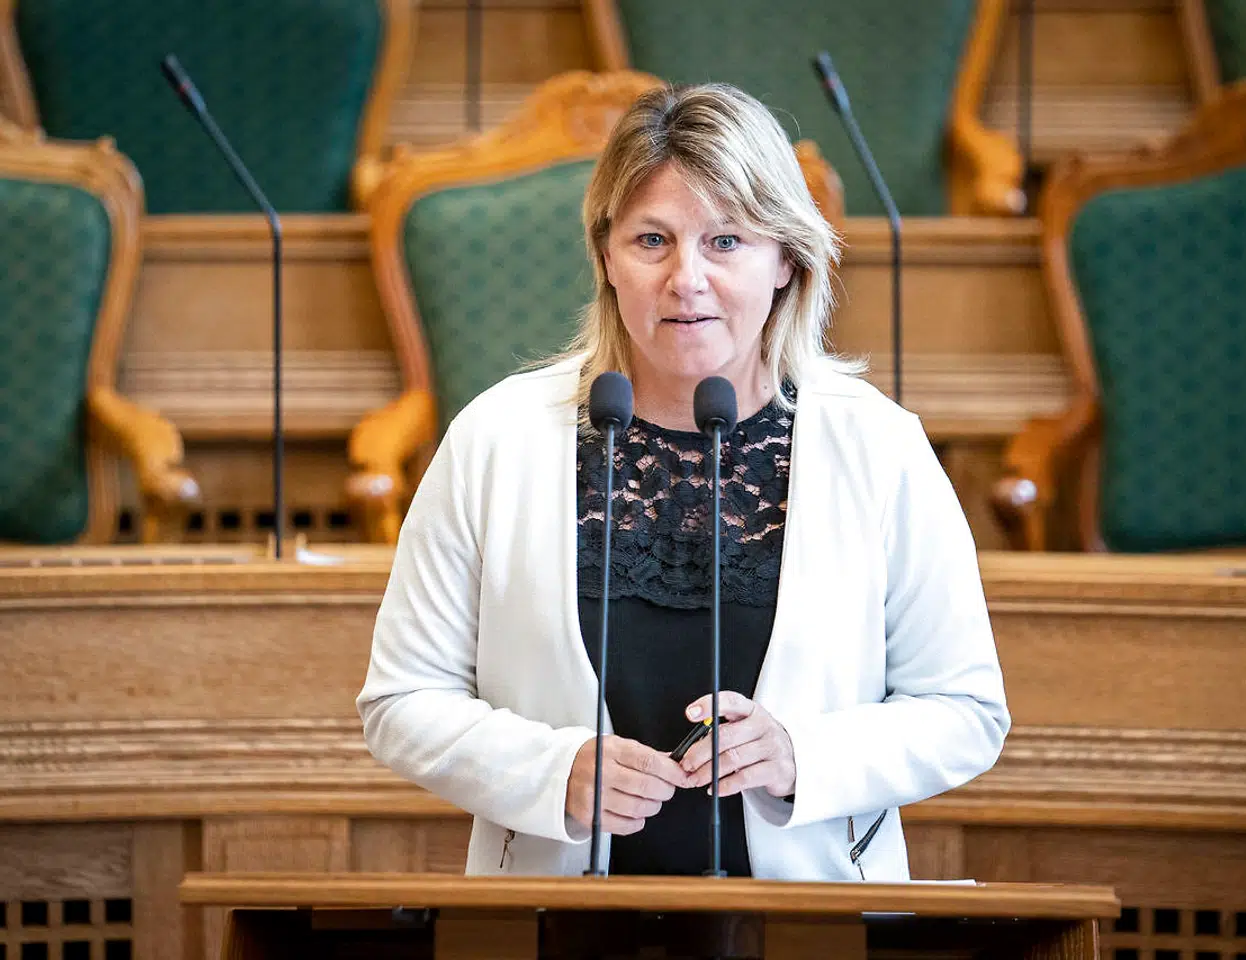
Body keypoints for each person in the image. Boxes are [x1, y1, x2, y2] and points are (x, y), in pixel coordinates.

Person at [357, 82, 1009, 882]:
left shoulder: (880, 448)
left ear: (786, 260)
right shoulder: (496, 439)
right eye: (653, 240)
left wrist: (802, 754)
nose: (687, 279)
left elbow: (966, 713)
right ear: (606, 256)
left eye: (726, 241)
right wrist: (551, 771)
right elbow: (400, 701)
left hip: (808, 921)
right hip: (550, 920)